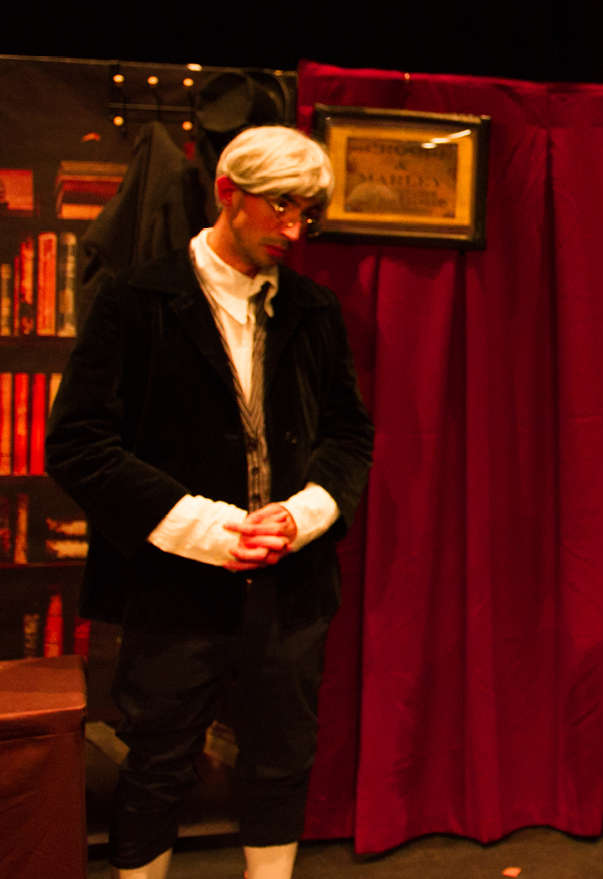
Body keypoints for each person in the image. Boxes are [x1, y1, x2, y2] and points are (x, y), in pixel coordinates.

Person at [47, 125, 375, 879]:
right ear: (229, 192)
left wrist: (303, 513)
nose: (295, 230)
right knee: (158, 757)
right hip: (172, 584)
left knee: (282, 754)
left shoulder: (314, 309)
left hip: (291, 583)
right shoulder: (137, 299)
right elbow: (78, 443)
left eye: (307, 213)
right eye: (281, 206)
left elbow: (350, 434)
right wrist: (206, 528)